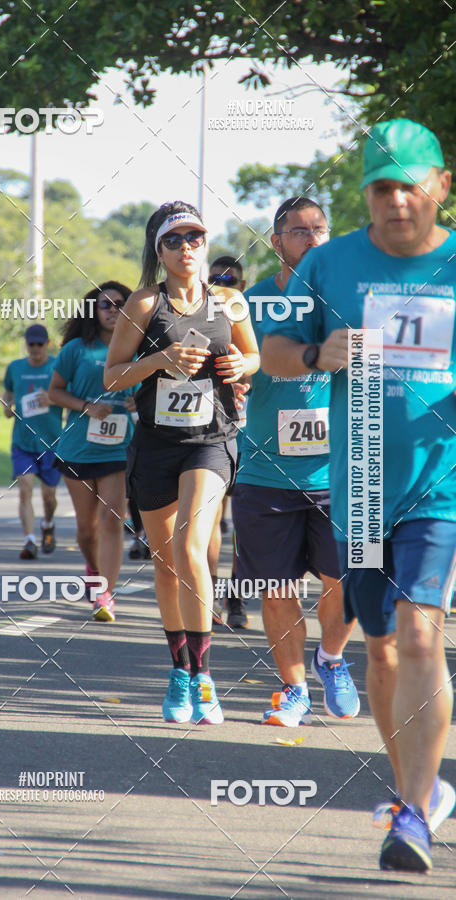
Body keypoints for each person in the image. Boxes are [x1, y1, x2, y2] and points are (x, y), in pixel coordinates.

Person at [260, 120, 456, 872]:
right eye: (382, 187)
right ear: (365, 194)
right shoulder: (330, 265)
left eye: (411, 185)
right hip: (363, 482)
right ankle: (417, 786)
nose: (397, 201)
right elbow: (272, 354)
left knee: (419, 634)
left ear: (441, 185)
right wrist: (315, 352)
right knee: (377, 645)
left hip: (440, 482)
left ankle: (411, 814)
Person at [104, 201, 259, 725]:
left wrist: (243, 364)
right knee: (169, 565)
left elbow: (252, 356)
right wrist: (160, 360)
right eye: (175, 240)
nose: (187, 248)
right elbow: (112, 376)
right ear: (159, 251)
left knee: (195, 547)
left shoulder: (230, 302)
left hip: (211, 440)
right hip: (155, 445)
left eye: (195, 238)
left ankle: (204, 677)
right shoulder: (146, 305)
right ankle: (178, 669)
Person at [234, 197, 359, 725]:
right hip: (266, 472)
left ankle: (330, 659)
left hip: (343, 470)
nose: (310, 238)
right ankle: (294, 688)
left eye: (319, 230)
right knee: (277, 588)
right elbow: (235, 363)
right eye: (298, 231)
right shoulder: (251, 303)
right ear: (275, 241)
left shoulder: (351, 298)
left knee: (349, 580)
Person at [49, 281, 135, 622]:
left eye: (120, 304)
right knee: (87, 530)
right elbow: (55, 392)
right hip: (79, 449)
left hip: (119, 447)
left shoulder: (138, 349)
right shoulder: (76, 349)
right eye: (106, 305)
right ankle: (93, 566)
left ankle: (104, 594)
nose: (114, 310)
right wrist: (85, 406)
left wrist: (134, 401)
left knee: (113, 518)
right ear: (93, 311)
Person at [208, 257, 248, 627]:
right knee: (211, 519)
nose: (221, 284)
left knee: (242, 526)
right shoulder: (200, 318)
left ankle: (235, 598)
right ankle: (207, 595)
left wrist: (248, 376)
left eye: (229, 279)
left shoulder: (248, 314)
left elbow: (262, 361)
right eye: (215, 279)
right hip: (214, 433)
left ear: (241, 283)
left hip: (255, 435)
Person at [2, 324, 63, 560]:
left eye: (40, 344)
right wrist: (7, 405)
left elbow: (70, 396)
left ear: (47, 344)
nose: (35, 348)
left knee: (49, 496)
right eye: (31, 344)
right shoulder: (15, 367)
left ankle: (48, 523)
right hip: (23, 442)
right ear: (26, 345)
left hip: (52, 442)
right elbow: (8, 392)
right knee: (25, 488)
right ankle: (29, 541)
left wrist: (52, 398)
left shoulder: (57, 366)